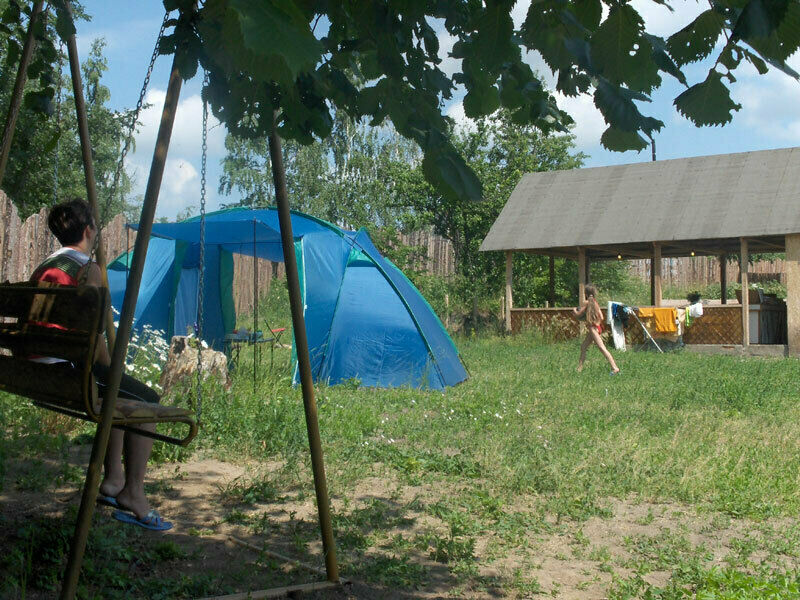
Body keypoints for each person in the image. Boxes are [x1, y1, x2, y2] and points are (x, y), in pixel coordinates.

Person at [30, 199, 172, 531]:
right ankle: (133, 492)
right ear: (90, 229)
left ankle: (113, 481)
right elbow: (94, 342)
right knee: (146, 400)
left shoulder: (45, 266)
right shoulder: (87, 270)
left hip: (36, 370)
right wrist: (111, 369)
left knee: (119, 394)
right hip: (67, 371)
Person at [572, 284, 620, 375]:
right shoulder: (595, 303)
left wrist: (574, 310)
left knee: (602, 348)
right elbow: (601, 317)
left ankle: (614, 367)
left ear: (585, 293)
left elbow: (578, 314)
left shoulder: (587, 303)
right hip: (597, 327)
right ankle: (579, 369)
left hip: (593, 328)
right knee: (583, 347)